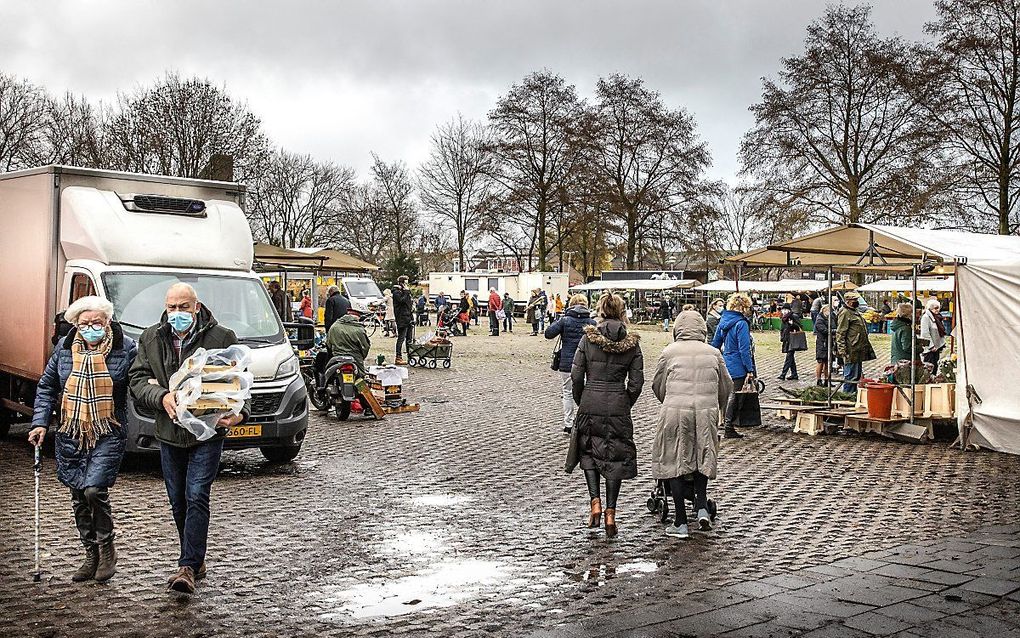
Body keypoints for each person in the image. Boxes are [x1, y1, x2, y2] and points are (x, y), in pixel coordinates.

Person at [128, 283, 249, 595]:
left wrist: (239, 414)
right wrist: (162, 396)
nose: (177, 314)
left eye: (184, 307)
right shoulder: (152, 337)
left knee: (196, 494)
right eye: (172, 308)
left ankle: (187, 567)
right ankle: (195, 559)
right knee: (177, 499)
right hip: (170, 433)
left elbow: (240, 382)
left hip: (208, 433)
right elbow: (138, 380)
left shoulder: (222, 337)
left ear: (197, 307)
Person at [28, 296, 136, 583]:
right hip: (71, 431)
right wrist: (39, 422)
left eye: (96, 323)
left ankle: (106, 546)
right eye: (85, 323)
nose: (91, 328)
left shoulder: (126, 349)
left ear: (107, 322)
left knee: (93, 490)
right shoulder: (64, 350)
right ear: (75, 325)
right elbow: (47, 387)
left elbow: (139, 381)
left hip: (108, 429)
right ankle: (90, 555)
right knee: (77, 495)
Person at [566, 292, 643, 539]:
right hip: (618, 403)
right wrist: (625, 402)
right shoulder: (632, 343)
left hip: (591, 400)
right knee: (615, 457)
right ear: (622, 312)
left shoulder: (588, 340)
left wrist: (582, 399)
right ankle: (611, 512)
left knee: (588, 451)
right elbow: (637, 382)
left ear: (600, 311)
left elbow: (576, 375)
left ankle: (595, 503)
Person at [653, 310, 733, 539]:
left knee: (675, 461)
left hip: (676, 411)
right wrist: (717, 408)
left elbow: (658, 385)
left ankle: (680, 521)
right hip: (705, 412)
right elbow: (726, 387)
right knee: (702, 458)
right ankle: (700, 507)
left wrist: (669, 399)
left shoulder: (669, 352)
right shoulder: (713, 353)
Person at [545, 294, 597, 435]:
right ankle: (585, 422)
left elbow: (548, 333)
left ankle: (568, 423)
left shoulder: (565, 320)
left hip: (567, 363)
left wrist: (558, 322)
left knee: (567, 393)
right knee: (586, 393)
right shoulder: (592, 323)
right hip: (587, 363)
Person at [711, 293, 756, 440]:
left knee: (726, 395)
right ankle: (729, 427)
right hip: (738, 364)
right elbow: (744, 349)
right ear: (743, 307)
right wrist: (750, 369)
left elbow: (715, 344)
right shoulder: (741, 324)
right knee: (735, 396)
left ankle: (723, 423)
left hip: (725, 362)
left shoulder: (723, 321)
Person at [835, 291, 877, 393]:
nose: (856, 302)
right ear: (848, 301)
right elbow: (840, 333)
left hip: (858, 348)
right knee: (850, 376)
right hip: (851, 349)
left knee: (856, 375)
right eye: (854, 300)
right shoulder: (845, 313)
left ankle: (853, 394)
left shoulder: (854, 311)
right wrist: (842, 350)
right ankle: (847, 396)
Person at [327, 308, 372, 376]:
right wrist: (361, 357)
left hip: (337, 357)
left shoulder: (334, 326)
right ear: (357, 318)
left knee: (331, 375)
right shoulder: (359, 330)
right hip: (355, 359)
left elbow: (328, 344)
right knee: (361, 377)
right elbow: (365, 347)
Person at [392, 276, 414, 365]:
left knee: (409, 339)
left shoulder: (405, 292)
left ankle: (410, 356)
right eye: (405, 282)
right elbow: (401, 301)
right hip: (401, 318)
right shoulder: (396, 292)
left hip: (408, 317)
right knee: (401, 338)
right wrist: (406, 292)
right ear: (401, 283)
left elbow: (408, 305)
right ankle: (398, 357)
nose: (406, 285)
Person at [919, 298, 947, 368]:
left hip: (936, 346)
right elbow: (925, 333)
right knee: (929, 367)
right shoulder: (926, 317)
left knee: (935, 366)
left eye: (938, 308)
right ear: (930, 308)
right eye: (935, 308)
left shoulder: (937, 317)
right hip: (930, 348)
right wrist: (931, 346)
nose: (937, 310)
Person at [779, 307, 802, 381]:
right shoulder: (784, 318)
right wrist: (782, 337)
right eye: (783, 310)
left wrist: (792, 324)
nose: (784, 311)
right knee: (791, 358)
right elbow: (783, 329)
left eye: (786, 309)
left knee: (789, 357)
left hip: (792, 339)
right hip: (787, 339)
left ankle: (783, 374)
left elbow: (799, 327)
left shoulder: (793, 316)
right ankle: (794, 374)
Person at [813, 304, 834, 386]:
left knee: (827, 363)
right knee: (820, 362)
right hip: (822, 343)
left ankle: (827, 380)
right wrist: (834, 331)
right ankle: (819, 379)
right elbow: (824, 330)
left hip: (829, 342)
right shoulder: (820, 319)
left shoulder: (829, 318)